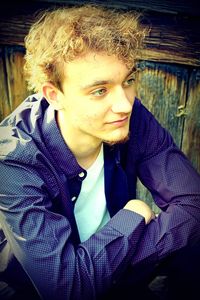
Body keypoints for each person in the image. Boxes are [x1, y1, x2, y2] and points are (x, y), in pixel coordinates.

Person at [0, 4, 199, 300]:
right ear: (54, 96)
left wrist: (104, 272)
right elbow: (65, 289)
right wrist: (133, 215)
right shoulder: (12, 161)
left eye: (128, 81)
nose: (125, 104)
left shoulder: (132, 116)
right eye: (99, 90)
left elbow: (193, 201)